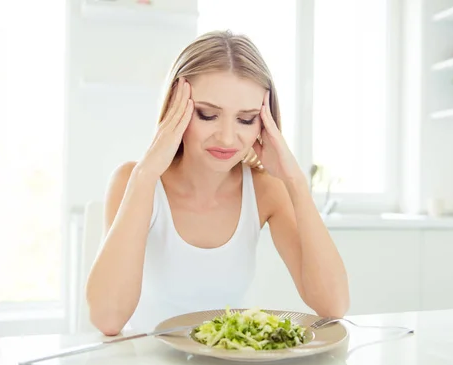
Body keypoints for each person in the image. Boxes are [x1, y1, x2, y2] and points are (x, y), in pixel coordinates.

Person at [85, 30, 350, 336]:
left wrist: (295, 182)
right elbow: (107, 319)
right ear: (175, 107)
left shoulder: (266, 190)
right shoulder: (134, 180)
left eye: (246, 119)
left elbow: (334, 306)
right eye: (208, 115)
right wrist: (145, 176)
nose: (226, 137)